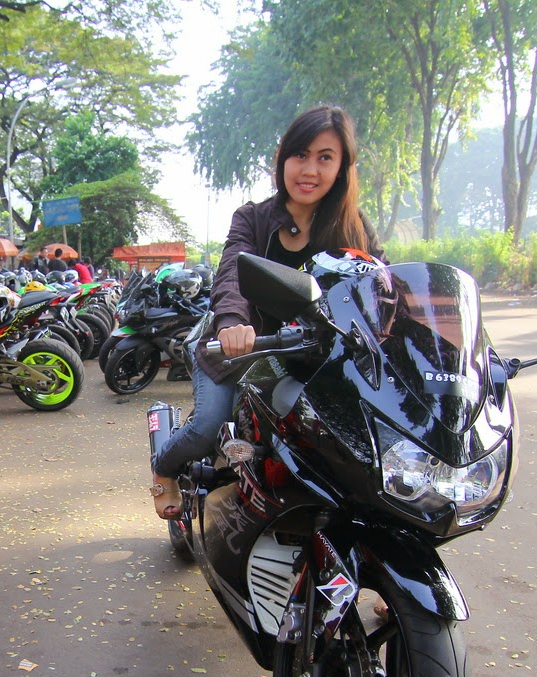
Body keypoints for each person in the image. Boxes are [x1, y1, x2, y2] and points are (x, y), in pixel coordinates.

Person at [149, 104, 386, 519]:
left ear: (342, 168)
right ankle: (163, 467)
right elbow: (231, 274)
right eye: (301, 155)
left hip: (317, 361)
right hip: (241, 351)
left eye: (325, 158)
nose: (310, 170)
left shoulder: (355, 227)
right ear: (282, 159)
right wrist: (233, 323)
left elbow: (384, 286)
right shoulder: (253, 218)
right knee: (208, 425)